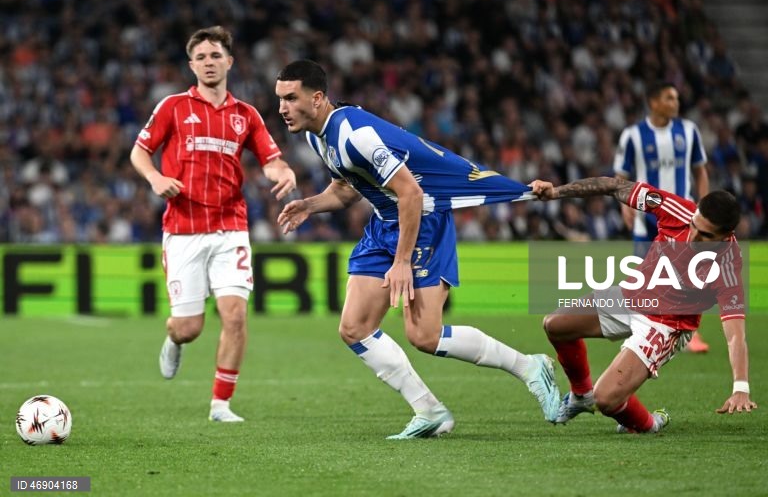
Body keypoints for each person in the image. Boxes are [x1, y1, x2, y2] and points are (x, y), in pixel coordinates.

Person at [274, 59, 560, 439]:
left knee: (425, 335)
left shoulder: (355, 135)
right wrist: (310, 205)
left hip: (421, 221)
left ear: (317, 98)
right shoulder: (318, 136)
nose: (282, 108)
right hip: (385, 221)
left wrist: (402, 261)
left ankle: (529, 366)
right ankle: (430, 411)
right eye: (280, 99)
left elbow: (412, 193)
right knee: (354, 328)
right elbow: (346, 188)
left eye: (291, 98)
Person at [130, 26, 296, 422]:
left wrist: (283, 171)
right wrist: (155, 178)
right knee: (188, 328)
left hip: (230, 227)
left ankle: (221, 404)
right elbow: (139, 151)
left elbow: (271, 159)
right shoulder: (173, 106)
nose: (209, 62)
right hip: (183, 229)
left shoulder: (246, 115)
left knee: (235, 315)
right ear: (192, 65)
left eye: (215, 55)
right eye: (201, 57)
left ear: (229, 62)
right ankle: (174, 339)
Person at [530, 176, 757, 433]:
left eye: (706, 235)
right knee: (555, 325)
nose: (693, 236)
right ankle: (581, 395)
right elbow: (614, 186)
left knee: (606, 399)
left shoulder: (727, 267)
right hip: (632, 295)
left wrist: (741, 387)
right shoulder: (676, 209)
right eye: (694, 225)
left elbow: (735, 335)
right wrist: (556, 192)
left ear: (726, 236)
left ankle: (650, 423)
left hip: (667, 324)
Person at [614, 81, 711, 353]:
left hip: (682, 217)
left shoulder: (689, 131)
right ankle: (638, 328)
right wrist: (625, 207)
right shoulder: (633, 135)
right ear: (653, 102)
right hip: (646, 216)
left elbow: (700, 171)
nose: (675, 103)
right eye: (669, 98)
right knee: (643, 275)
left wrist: (703, 207)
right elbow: (621, 176)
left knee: (688, 274)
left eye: (676, 98)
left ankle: (690, 332)